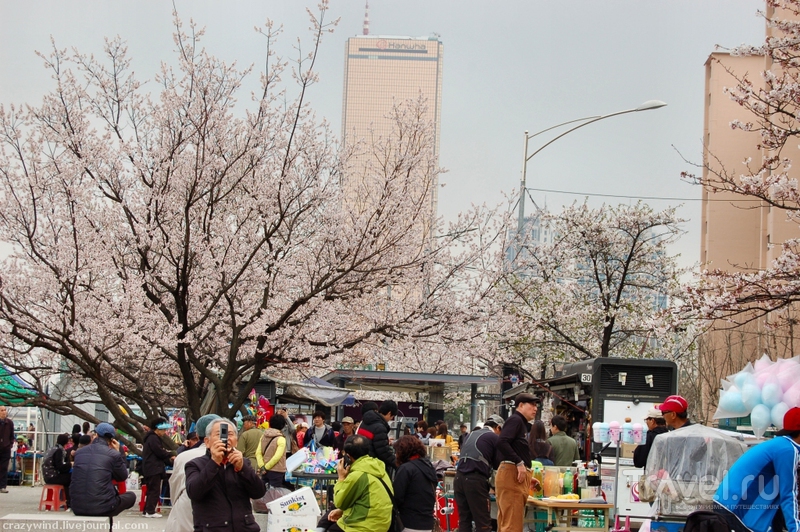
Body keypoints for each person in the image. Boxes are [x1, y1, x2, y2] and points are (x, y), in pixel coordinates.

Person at [713, 406, 800, 532]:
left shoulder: (779, 445)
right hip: (738, 509)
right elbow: (789, 494)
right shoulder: (788, 450)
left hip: (728, 503)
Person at [185, 418, 266, 531]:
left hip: (244, 527)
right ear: (207, 442)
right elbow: (194, 493)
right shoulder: (195, 464)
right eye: (219, 434)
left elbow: (259, 492)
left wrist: (243, 468)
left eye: (230, 434)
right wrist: (214, 463)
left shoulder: (243, 463)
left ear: (236, 441)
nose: (225, 439)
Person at [320, 434, 393, 532]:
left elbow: (339, 502)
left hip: (364, 526)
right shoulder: (378, 467)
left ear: (348, 456)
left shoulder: (358, 475)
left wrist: (341, 478)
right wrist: (342, 512)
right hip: (380, 523)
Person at [166, 414, 220, 532]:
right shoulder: (234, 456)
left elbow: (175, 488)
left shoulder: (183, 457)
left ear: (197, 435)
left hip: (185, 510)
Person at [70, 422, 136, 517]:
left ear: (96, 435)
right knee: (131, 496)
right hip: (103, 507)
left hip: (77, 507)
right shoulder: (113, 454)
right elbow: (122, 477)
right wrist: (119, 453)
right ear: (111, 439)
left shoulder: (79, 453)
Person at [496, 393, 538, 532]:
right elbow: (502, 441)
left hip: (513, 474)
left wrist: (527, 475)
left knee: (507, 522)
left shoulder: (520, 423)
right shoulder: (516, 420)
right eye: (531, 404)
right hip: (512, 473)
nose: (535, 408)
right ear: (520, 405)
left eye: (536, 405)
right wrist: (519, 463)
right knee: (512, 525)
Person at [454, 415, 504, 532]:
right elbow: (499, 465)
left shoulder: (471, 434)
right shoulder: (493, 437)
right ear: (498, 427)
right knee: (483, 524)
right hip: (475, 481)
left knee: (465, 521)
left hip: (459, 478)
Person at [394, 435, 437, 532]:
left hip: (408, 522)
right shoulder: (429, 467)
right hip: (427, 523)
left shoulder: (406, 469)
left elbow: (397, 497)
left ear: (402, 451)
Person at [141, 417, 175, 518]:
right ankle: (150, 511)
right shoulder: (153, 438)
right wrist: (170, 455)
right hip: (153, 468)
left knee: (152, 489)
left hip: (150, 467)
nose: (164, 432)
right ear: (157, 429)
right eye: (163, 430)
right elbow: (159, 452)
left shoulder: (151, 438)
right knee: (154, 490)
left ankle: (147, 510)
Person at [356, 400, 397, 475]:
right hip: (372, 467)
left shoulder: (365, 422)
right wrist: (398, 464)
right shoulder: (380, 427)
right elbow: (383, 452)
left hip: (360, 463)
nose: (390, 419)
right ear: (389, 413)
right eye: (392, 417)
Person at [256, 413, 289, 489]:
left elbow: (258, 453)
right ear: (282, 426)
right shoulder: (281, 439)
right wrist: (267, 467)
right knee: (274, 495)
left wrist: (262, 467)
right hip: (277, 471)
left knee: (264, 492)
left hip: (264, 470)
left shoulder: (263, 436)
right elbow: (277, 456)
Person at [42, 433, 73, 508]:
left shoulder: (52, 448)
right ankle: (68, 502)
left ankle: (64, 501)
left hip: (47, 476)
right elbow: (60, 467)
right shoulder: (59, 451)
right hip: (53, 477)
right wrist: (70, 464)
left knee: (66, 478)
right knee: (71, 478)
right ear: (66, 443)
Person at [0, 405, 14, 493]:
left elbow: (12, 435)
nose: (4, 412)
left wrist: (10, 444)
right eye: (2, 410)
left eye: (5, 410)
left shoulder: (9, 423)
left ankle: (2, 486)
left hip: (6, 448)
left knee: (4, 467)